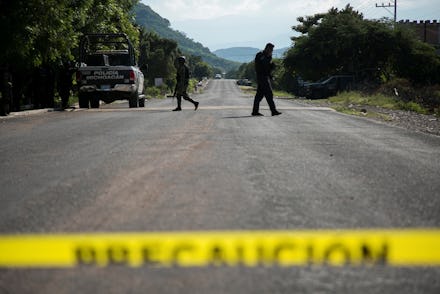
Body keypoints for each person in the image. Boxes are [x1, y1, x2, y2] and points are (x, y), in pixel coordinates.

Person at [252, 43, 281, 116]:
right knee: (269, 94)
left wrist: (272, 67)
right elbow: (262, 67)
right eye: (271, 49)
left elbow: (268, 69)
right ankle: (273, 111)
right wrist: (269, 66)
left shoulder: (268, 56)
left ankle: (255, 111)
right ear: (267, 48)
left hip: (265, 77)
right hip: (261, 77)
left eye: (272, 50)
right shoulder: (260, 55)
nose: (272, 51)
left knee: (259, 95)